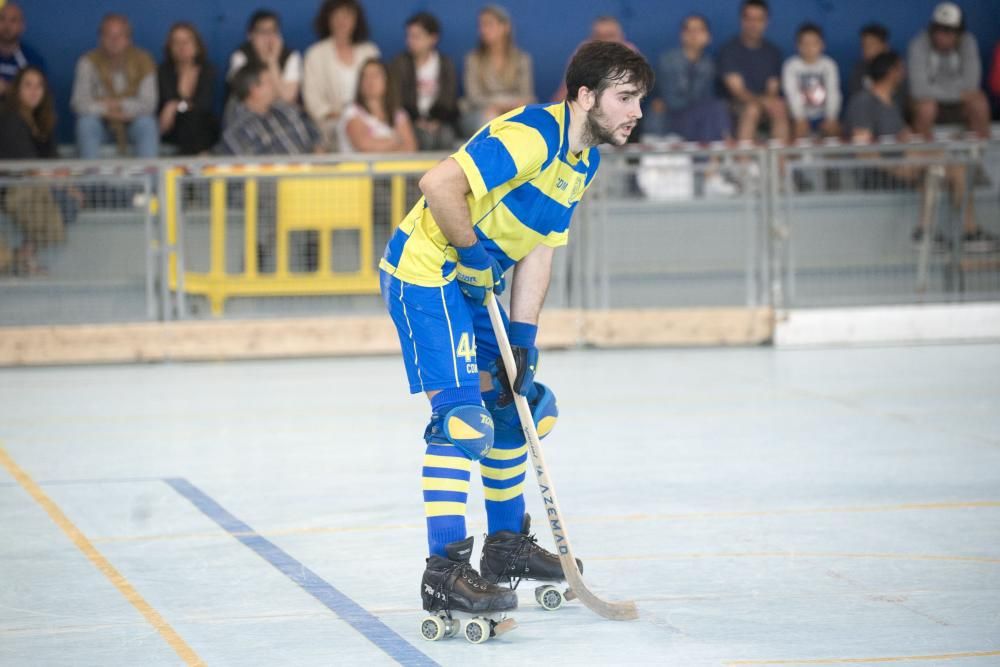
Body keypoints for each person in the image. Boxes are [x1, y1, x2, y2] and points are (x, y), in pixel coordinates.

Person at [378, 41, 653, 619]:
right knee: (460, 419)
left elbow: (540, 252)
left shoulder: (584, 162)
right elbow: (438, 185)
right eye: (625, 98)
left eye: (639, 100)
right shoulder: (531, 134)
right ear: (584, 96)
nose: (636, 112)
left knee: (519, 404)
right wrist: (473, 252)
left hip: (473, 283)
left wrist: (523, 342)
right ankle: (444, 572)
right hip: (426, 272)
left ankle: (504, 550)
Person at [845, 52, 996, 253]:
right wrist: (896, 169)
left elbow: (907, 138)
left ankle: (932, 232)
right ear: (892, 72)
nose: (905, 74)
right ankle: (965, 232)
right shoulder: (864, 102)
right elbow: (862, 151)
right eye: (901, 69)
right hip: (881, 174)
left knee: (951, 166)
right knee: (943, 162)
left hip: (907, 167)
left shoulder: (892, 103)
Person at [0, 66, 67, 275]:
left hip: (41, 185)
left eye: (39, 86)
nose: (33, 91)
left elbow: (56, 163)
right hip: (13, 189)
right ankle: (18, 255)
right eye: (27, 85)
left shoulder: (42, 121)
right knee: (65, 199)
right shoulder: (11, 119)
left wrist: (64, 180)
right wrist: (55, 179)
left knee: (77, 197)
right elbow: (26, 167)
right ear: (17, 89)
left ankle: (25, 253)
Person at [70, 13, 158, 158]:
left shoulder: (144, 61)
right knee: (86, 123)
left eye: (120, 35)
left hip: (132, 124)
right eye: (108, 35)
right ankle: (91, 180)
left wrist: (117, 105)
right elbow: (79, 103)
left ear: (128, 39)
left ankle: (150, 179)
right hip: (101, 125)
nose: (114, 40)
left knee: (147, 123)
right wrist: (107, 111)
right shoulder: (87, 62)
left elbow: (149, 104)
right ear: (100, 38)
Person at [303, 0, 380, 150]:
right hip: (332, 123)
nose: (342, 21)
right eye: (336, 16)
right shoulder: (315, 54)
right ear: (328, 19)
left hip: (370, 120)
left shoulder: (369, 51)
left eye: (347, 16)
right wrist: (345, 119)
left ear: (356, 19)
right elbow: (313, 101)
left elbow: (381, 89)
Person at [907, 2, 990, 139]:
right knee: (926, 107)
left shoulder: (968, 42)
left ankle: (981, 154)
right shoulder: (918, 43)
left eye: (948, 31)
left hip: (958, 105)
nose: (941, 36)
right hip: (930, 103)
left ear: (959, 33)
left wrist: (939, 92)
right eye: (937, 29)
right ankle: (926, 157)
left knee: (979, 102)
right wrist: (958, 94)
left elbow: (971, 84)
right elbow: (918, 89)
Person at [718, 0, 789, 144]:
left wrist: (768, 102)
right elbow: (738, 91)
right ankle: (744, 164)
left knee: (779, 107)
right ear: (741, 20)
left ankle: (780, 164)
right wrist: (763, 102)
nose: (753, 24)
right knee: (752, 109)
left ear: (766, 21)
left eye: (759, 19)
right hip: (736, 106)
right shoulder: (729, 50)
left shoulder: (773, 52)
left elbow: (772, 89)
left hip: (764, 104)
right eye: (749, 18)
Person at [459, 5, 534, 137]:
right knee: (490, 118)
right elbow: (473, 97)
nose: (483, 30)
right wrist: (498, 105)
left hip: (514, 111)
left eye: (488, 24)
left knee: (525, 119)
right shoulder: (473, 59)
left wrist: (505, 106)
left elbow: (526, 94)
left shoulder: (522, 59)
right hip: (480, 113)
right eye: (481, 25)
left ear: (505, 27)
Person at [389, 11, 459, 151]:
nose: (410, 41)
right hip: (411, 121)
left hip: (440, 120)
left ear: (433, 38)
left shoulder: (445, 64)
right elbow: (395, 98)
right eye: (408, 36)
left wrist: (437, 120)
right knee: (424, 138)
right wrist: (416, 120)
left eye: (416, 37)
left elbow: (449, 98)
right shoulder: (400, 63)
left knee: (446, 136)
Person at [217, 61, 319, 156]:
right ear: (255, 90)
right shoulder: (239, 130)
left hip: (312, 171)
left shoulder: (286, 110)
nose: (275, 84)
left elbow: (315, 137)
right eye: (269, 81)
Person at [226, 10, 301, 117]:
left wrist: (272, 61)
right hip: (248, 111)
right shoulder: (240, 55)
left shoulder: (291, 56)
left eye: (273, 31)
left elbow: (288, 99)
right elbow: (246, 95)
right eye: (262, 32)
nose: (268, 37)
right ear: (250, 35)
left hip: (282, 112)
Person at [158, 22, 219, 155]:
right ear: (170, 47)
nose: (182, 47)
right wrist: (178, 106)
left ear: (197, 45)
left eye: (186, 41)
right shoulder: (164, 71)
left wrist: (175, 106)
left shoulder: (207, 70)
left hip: (202, 126)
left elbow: (203, 104)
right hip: (174, 128)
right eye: (176, 42)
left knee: (196, 119)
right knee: (189, 121)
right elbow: (167, 99)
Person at [550, 15, 638, 102]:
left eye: (610, 35)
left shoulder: (631, 55)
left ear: (621, 37)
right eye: (599, 36)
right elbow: (565, 91)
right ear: (591, 39)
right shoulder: (582, 53)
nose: (605, 42)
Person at [337, 58, 416, 153]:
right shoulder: (351, 112)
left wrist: (379, 144)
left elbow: (410, 148)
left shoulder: (399, 114)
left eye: (375, 75)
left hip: (396, 167)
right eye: (365, 76)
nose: (370, 80)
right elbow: (364, 145)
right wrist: (396, 141)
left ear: (387, 80)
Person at [782, 23, 840, 139]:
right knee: (796, 129)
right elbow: (792, 94)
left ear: (822, 45)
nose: (809, 48)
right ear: (798, 46)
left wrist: (830, 117)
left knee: (835, 129)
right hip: (798, 116)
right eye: (805, 44)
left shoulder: (829, 65)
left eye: (814, 43)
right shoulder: (791, 65)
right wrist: (799, 118)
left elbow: (833, 92)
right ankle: (797, 156)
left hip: (823, 115)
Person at [0, 1, 46, 99]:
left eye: (13, 20)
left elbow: (38, 98)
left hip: (17, 112)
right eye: (2, 19)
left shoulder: (33, 60)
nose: (7, 25)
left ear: (22, 26)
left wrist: (6, 89)